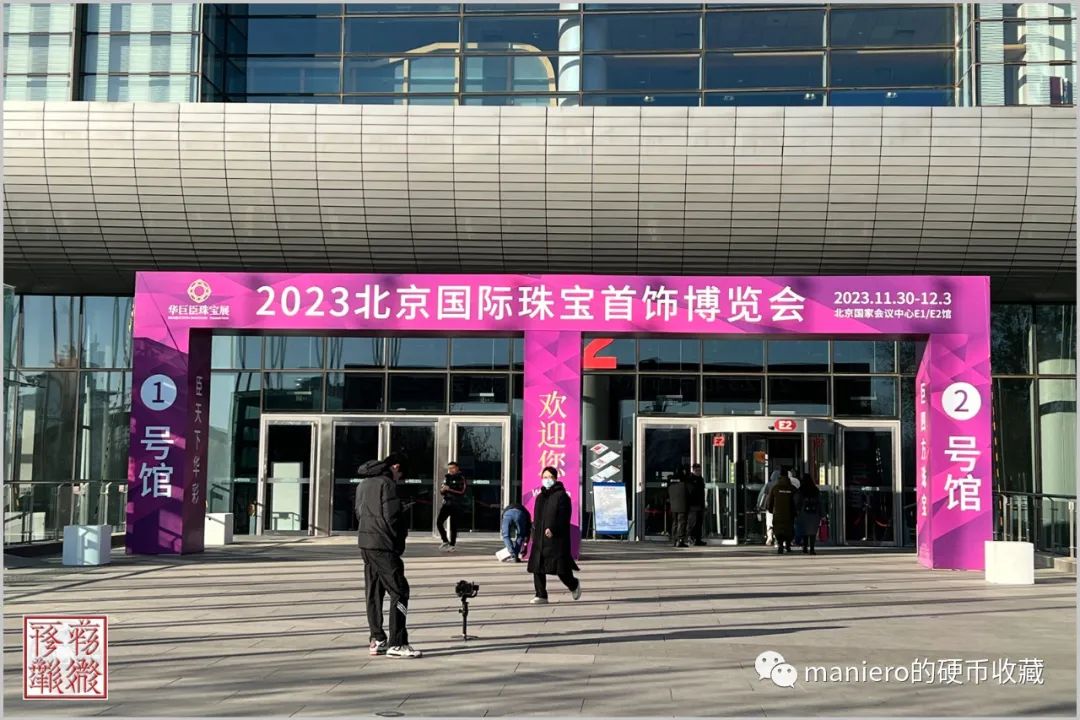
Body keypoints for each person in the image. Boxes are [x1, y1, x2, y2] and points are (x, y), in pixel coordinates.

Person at [355, 453, 422, 659]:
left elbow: (359, 512)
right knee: (400, 590)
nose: (399, 479)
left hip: (366, 543)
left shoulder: (363, 484)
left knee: (374, 592)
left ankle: (377, 639)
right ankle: (397, 643)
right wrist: (398, 541)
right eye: (400, 475)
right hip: (384, 545)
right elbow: (391, 517)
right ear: (396, 467)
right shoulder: (387, 484)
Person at [527, 467, 581, 604]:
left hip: (556, 539)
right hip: (539, 538)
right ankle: (541, 595)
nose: (547, 479)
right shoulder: (540, 497)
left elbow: (564, 517)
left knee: (560, 569)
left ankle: (573, 584)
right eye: (545, 477)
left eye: (550, 477)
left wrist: (553, 529)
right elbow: (536, 518)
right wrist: (533, 532)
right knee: (537, 566)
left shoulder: (562, 496)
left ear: (556, 478)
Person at [437, 461, 467, 552]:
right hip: (447, 504)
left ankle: (452, 544)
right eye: (449, 468)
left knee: (453, 525)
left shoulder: (461, 478)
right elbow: (442, 491)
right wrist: (442, 490)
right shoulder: (447, 477)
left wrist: (449, 489)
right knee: (439, 522)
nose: (450, 470)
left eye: (452, 468)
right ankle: (445, 540)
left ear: (457, 468)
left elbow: (462, 492)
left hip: (456, 504)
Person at [765, 468, 797, 555]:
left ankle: (780, 545)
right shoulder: (792, 488)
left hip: (778, 513)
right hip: (789, 514)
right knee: (788, 529)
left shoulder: (775, 488)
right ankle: (788, 545)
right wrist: (795, 511)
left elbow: (770, 501)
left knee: (778, 529)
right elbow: (797, 501)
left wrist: (771, 510)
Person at [796, 474, 823, 555]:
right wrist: (822, 513)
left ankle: (805, 547)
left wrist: (797, 510)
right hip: (814, 513)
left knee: (804, 530)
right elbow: (820, 502)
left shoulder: (801, 490)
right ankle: (812, 548)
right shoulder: (815, 490)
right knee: (812, 532)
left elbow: (798, 501)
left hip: (804, 512)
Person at [667, 466, 690, 548]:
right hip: (682, 504)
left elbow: (668, 491)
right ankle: (680, 540)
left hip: (673, 504)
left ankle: (674, 539)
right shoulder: (684, 479)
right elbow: (688, 491)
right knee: (681, 522)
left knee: (675, 522)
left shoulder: (671, 480)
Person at [757, 468, 781, 545]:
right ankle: (776, 538)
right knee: (778, 523)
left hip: (769, 507)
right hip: (778, 507)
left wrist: (760, 506)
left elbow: (764, 495)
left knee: (769, 523)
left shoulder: (768, 484)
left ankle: (769, 537)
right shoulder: (780, 485)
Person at [687, 463, 707, 547]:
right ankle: (690, 537)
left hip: (700, 504)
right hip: (693, 504)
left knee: (699, 522)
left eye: (699, 470)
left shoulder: (700, 479)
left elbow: (702, 492)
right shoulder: (690, 479)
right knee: (693, 522)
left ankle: (698, 539)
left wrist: (704, 503)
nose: (699, 472)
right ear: (693, 470)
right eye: (697, 470)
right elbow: (690, 491)